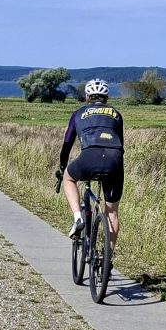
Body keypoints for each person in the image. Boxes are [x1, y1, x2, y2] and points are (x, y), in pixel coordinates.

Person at [56, 78, 124, 247]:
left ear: (87, 97)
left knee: (69, 179)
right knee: (112, 213)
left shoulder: (78, 113)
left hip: (89, 156)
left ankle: (78, 217)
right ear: (106, 98)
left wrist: (62, 167)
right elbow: (121, 143)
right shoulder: (116, 114)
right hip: (114, 159)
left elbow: (67, 143)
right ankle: (108, 260)